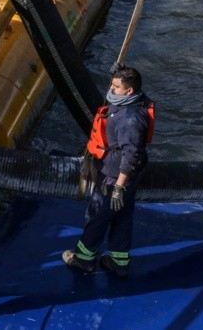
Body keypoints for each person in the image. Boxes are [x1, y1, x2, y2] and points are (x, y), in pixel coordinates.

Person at [63, 66, 153, 277]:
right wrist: (120, 71)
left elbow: (131, 154)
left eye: (116, 86)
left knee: (99, 214)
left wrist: (119, 186)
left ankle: (83, 259)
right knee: (122, 215)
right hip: (126, 174)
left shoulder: (130, 120)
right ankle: (118, 261)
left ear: (129, 91)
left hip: (115, 175)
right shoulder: (135, 101)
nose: (111, 89)